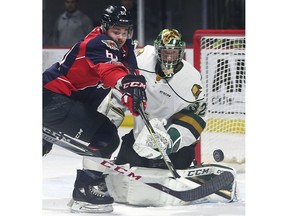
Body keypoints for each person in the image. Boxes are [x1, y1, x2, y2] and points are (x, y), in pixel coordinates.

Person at [90, 29, 212, 206]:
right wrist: (105, 127)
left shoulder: (191, 79)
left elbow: (197, 115)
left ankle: (182, 162)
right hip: (139, 138)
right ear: (157, 50)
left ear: (181, 52)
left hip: (172, 146)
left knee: (179, 161)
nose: (169, 58)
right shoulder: (141, 59)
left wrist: (172, 139)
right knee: (121, 163)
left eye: (173, 53)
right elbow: (117, 94)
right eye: (165, 52)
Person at [43, 5, 147, 213]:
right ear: (105, 28)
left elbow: (130, 74)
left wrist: (133, 98)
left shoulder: (124, 48)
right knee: (105, 136)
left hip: (58, 102)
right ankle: (86, 192)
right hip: (51, 100)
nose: (120, 37)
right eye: (116, 31)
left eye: (124, 32)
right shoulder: (98, 43)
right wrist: (127, 83)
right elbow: (110, 71)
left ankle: (86, 189)